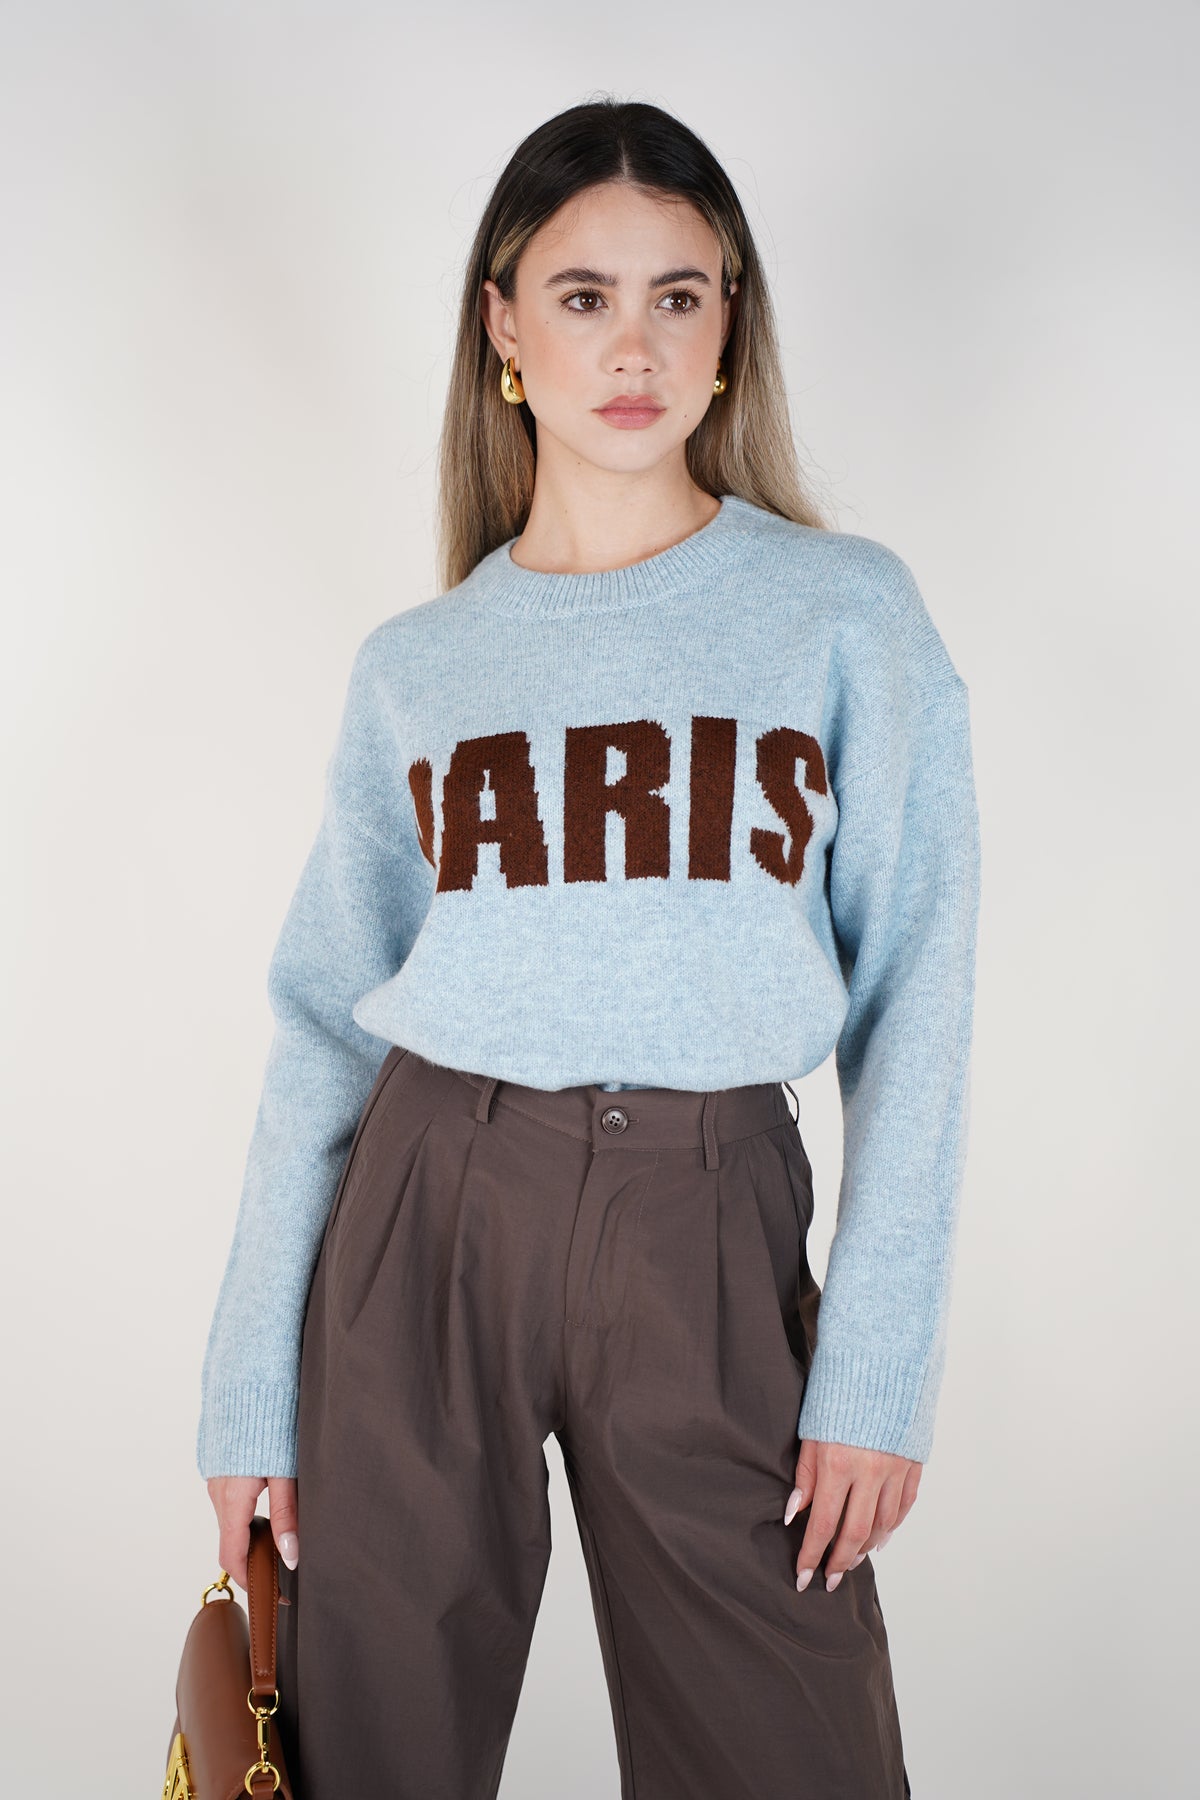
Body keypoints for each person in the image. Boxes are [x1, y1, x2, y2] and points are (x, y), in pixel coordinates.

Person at [197, 96, 980, 1799]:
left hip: (710, 1223)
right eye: (583, 296)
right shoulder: (420, 664)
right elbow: (324, 1023)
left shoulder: (846, 614)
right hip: (427, 1211)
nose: (635, 346)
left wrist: (879, 1365)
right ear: (503, 327)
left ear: (730, 326)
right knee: (369, 1752)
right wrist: (249, 1379)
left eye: (678, 296)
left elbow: (918, 994)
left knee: (793, 1749)